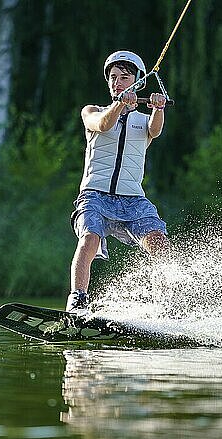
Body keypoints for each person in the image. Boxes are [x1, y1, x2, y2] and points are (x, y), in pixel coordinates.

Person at [67, 50, 169, 313]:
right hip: (94, 196)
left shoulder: (143, 122)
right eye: (113, 77)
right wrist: (120, 104)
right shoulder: (93, 111)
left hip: (132, 199)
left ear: (138, 81)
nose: (117, 82)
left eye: (124, 77)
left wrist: (158, 107)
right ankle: (77, 299)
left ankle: (171, 302)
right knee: (89, 238)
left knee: (159, 242)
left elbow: (155, 130)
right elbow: (102, 124)